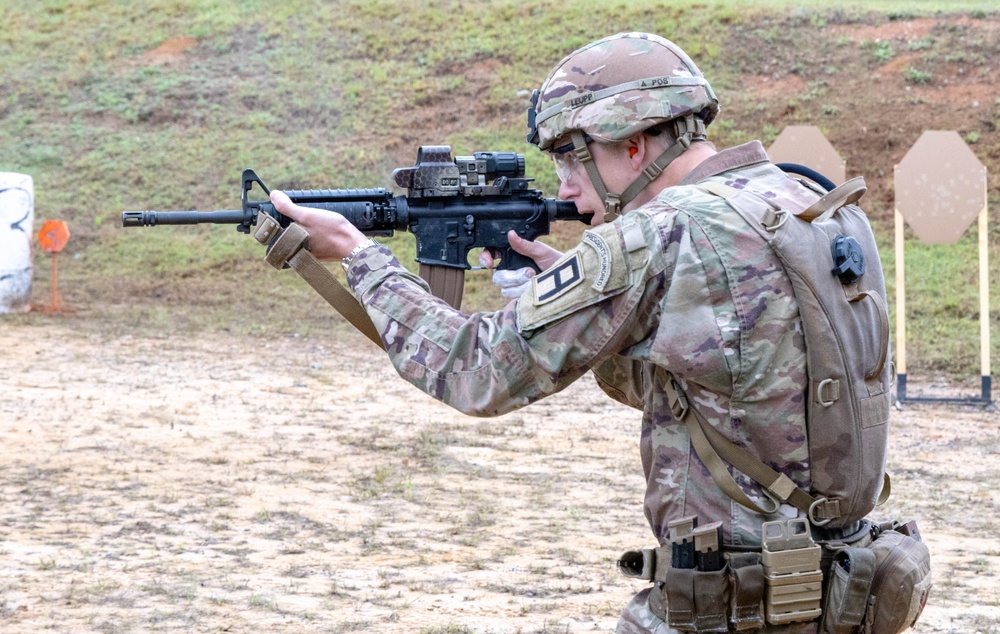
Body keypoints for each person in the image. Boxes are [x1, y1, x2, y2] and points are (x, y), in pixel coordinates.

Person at [270, 32, 837, 633]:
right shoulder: (808, 205)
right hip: (834, 586)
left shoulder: (658, 235)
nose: (564, 186)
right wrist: (590, 310)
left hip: (731, 605)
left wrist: (360, 257)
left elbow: (479, 371)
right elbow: (727, 386)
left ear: (634, 144)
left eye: (571, 156)